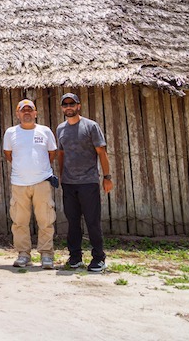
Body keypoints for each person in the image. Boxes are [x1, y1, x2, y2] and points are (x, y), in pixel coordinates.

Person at [57, 92, 113, 273]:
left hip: (88, 182)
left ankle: (98, 258)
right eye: (65, 104)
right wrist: (61, 176)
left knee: (92, 221)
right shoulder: (60, 129)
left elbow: (101, 152)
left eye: (71, 104)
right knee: (72, 222)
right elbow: (61, 154)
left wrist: (107, 177)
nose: (68, 107)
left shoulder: (91, 126)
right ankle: (75, 257)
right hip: (69, 183)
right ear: (62, 108)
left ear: (78, 106)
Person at [3, 99, 58, 269]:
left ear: (36, 113)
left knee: (46, 220)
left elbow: (52, 153)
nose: (26, 112)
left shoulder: (45, 131)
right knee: (19, 221)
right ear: (17, 114)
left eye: (30, 109)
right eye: (23, 110)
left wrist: (38, 170)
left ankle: (47, 254)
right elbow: (8, 154)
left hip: (42, 182)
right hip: (19, 184)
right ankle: (23, 254)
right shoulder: (11, 132)